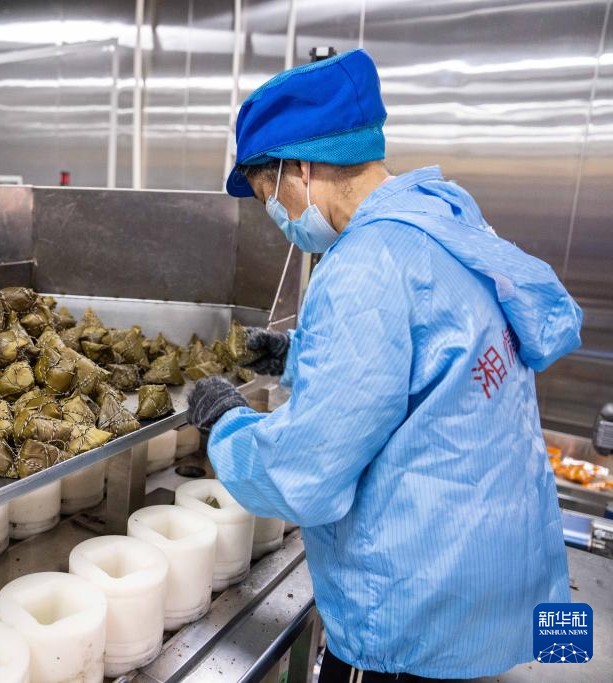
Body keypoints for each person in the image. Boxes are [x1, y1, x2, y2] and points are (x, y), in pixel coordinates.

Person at [187, 49, 582, 681]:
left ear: (300, 168)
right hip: (500, 573)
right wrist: (297, 357)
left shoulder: (364, 264)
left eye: (268, 194)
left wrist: (225, 427)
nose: (278, 218)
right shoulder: (443, 215)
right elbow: (423, 361)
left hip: (415, 610)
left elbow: (306, 475)